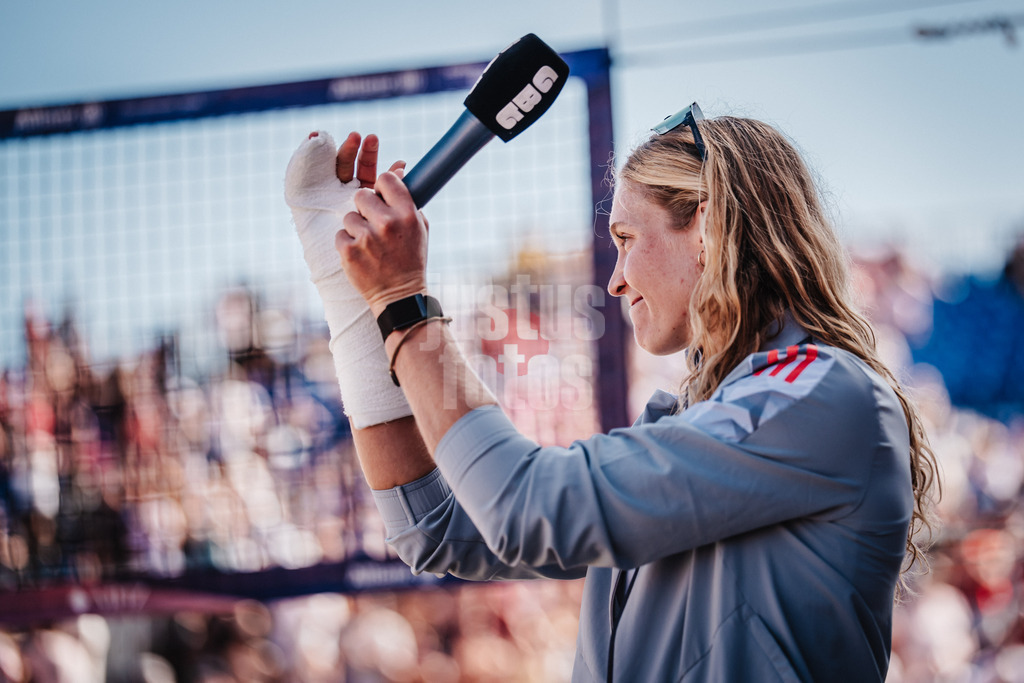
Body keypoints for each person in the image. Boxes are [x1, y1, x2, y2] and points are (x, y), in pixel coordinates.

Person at [284, 103, 939, 682]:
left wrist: (401, 303)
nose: (617, 280)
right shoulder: (706, 416)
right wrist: (357, 311)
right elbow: (435, 530)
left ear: (707, 228)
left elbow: (523, 505)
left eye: (626, 239)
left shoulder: (821, 392)